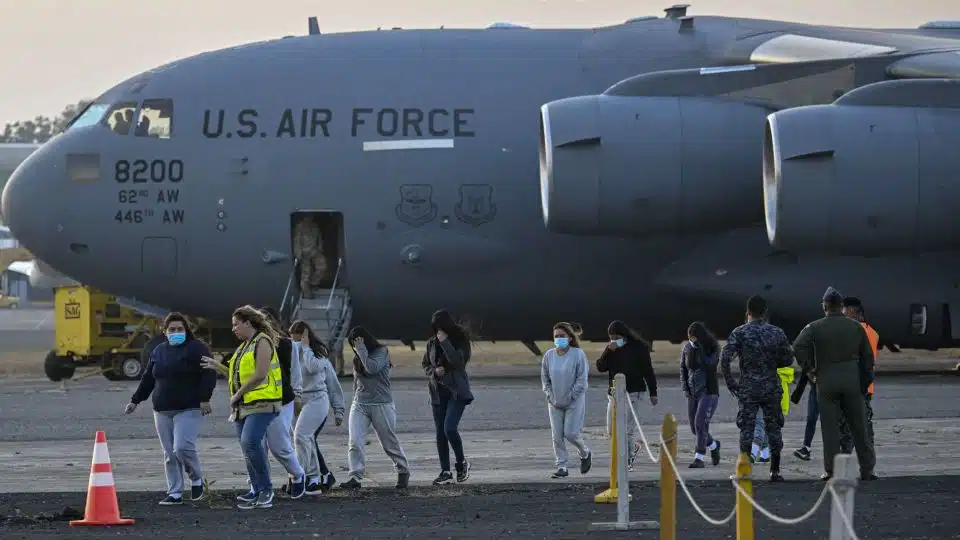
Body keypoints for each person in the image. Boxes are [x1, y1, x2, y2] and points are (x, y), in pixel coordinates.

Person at [125, 312, 216, 505]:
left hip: (188, 407)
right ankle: (174, 492)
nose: (176, 332)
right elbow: (149, 378)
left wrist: (205, 398)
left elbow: (208, 374)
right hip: (162, 409)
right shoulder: (158, 351)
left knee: (182, 447)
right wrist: (136, 400)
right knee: (169, 453)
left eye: (180, 329)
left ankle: (197, 478)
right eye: (172, 330)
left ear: (186, 330)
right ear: (164, 332)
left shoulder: (196, 348)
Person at [201, 305, 284, 510]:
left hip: (263, 402)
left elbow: (260, 374)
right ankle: (256, 489)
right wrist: (217, 366)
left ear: (248, 323)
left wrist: (238, 394)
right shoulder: (244, 346)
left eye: (236, 324)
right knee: (247, 446)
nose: (233, 329)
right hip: (244, 406)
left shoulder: (262, 342)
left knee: (251, 442)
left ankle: (266, 490)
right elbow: (236, 373)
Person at [793, 287, 877, 481]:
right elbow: (868, 358)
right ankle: (867, 469)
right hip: (851, 380)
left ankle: (831, 471)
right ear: (842, 307)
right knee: (859, 427)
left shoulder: (814, 327)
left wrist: (809, 368)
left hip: (826, 380)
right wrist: (864, 383)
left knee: (830, 430)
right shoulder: (856, 327)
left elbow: (798, 345)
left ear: (824, 307)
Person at [720, 295, 794, 482]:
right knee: (774, 427)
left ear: (748, 312)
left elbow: (725, 358)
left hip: (749, 387)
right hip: (771, 385)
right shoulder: (777, 332)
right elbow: (787, 359)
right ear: (765, 312)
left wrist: (731, 382)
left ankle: (744, 469)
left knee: (747, 427)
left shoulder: (740, 332)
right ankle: (775, 470)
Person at [340, 326, 410, 489]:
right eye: (352, 345)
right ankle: (355, 476)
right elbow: (357, 382)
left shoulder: (381, 352)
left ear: (364, 341)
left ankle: (403, 470)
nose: (354, 347)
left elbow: (371, 368)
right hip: (360, 404)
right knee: (355, 441)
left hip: (381, 404)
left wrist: (361, 350)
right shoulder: (359, 356)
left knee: (388, 442)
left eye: (356, 343)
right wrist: (354, 400)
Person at [289, 319, 345, 495]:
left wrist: (339, 410)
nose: (294, 342)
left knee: (302, 436)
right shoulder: (292, 351)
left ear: (305, 337)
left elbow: (327, 379)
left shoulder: (318, 355)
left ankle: (304, 476)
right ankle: (314, 478)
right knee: (304, 439)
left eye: (297, 339)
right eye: (292, 339)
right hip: (297, 400)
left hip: (316, 399)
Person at [257, 306, 306, 499]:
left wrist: (298, 396)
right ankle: (259, 485)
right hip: (257, 401)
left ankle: (297, 475)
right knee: (256, 445)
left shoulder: (286, 344)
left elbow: (295, 373)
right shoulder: (251, 344)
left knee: (279, 445)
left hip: (282, 400)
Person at [596, 320, 658, 471]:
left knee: (627, 430)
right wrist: (607, 351)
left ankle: (627, 460)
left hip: (634, 392)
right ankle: (634, 448)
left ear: (624, 335)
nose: (614, 340)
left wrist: (653, 392)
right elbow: (600, 367)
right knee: (612, 430)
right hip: (614, 394)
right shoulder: (611, 350)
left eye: (617, 336)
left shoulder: (639, 348)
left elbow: (648, 371)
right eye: (611, 337)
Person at [422, 309, 474, 485]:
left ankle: (461, 463)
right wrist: (434, 372)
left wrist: (445, 343)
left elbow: (459, 363)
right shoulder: (430, 343)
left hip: (456, 391)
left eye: (441, 327)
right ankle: (445, 471)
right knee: (440, 434)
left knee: (449, 429)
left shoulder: (460, 341)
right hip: (438, 393)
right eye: (435, 328)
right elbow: (425, 365)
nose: (438, 331)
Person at [542, 322, 592, 479]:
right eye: (556, 336)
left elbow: (582, 380)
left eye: (561, 336)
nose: (558, 339)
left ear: (570, 338)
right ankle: (562, 466)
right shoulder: (549, 356)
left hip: (574, 401)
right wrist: (550, 395)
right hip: (554, 402)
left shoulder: (578, 354)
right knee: (557, 435)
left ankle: (585, 453)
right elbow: (545, 379)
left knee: (570, 433)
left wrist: (571, 396)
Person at [680, 321, 721, 468]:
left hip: (708, 391)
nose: (691, 340)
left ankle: (699, 456)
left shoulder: (713, 347)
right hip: (693, 392)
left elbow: (710, 365)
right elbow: (683, 370)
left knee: (700, 423)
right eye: (689, 338)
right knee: (694, 427)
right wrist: (685, 388)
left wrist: (701, 349)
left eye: (693, 338)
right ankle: (714, 445)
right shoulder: (687, 349)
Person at [842, 296, 879, 448]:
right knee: (864, 431)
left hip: (857, 388)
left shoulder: (859, 331)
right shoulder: (871, 332)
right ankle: (868, 467)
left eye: (843, 310)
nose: (841, 313)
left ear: (851, 311)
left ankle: (843, 465)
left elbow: (865, 362)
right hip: (863, 388)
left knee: (849, 432)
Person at [751, 359, 795, 464]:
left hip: (763, 394)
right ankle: (765, 454)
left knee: (759, 423)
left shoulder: (767, 367)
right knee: (766, 424)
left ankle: (752, 453)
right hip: (776, 399)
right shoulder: (781, 370)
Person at [293, 215, 322, 299]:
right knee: (306, 273)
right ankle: (306, 293)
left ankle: (313, 283)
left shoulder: (314, 225)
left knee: (322, 267)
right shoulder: (300, 226)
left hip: (314, 250)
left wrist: (320, 247)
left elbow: (319, 236)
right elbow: (297, 240)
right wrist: (298, 253)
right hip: (304, 252)